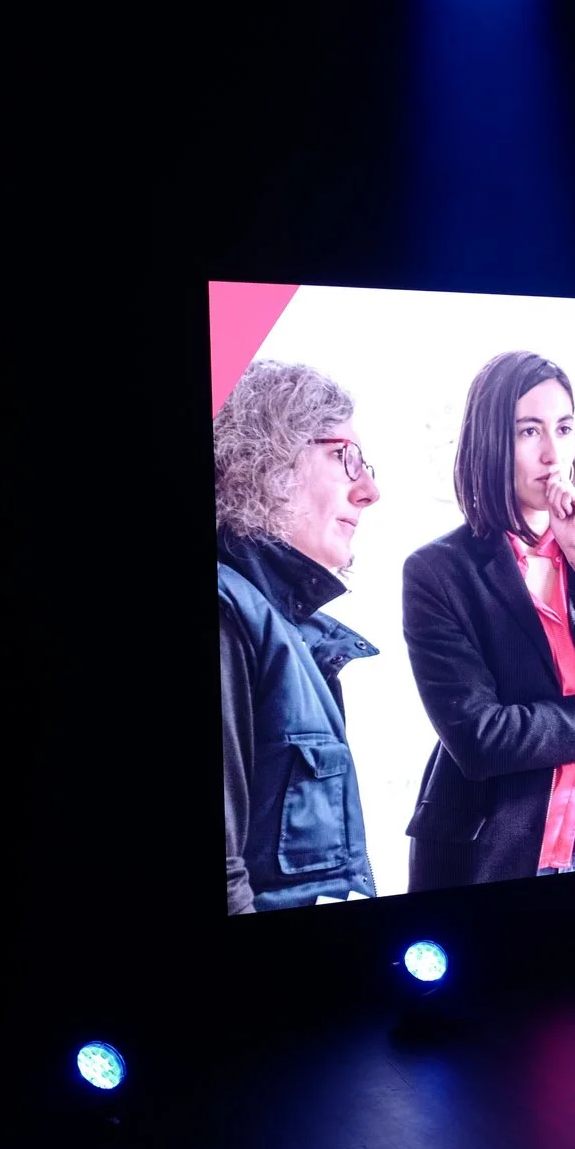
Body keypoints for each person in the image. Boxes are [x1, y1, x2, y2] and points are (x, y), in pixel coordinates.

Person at [399, 352, 575, 890]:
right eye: (529, 431)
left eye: (564, 428)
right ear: (490, 442)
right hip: (500, 857)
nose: (553, 454)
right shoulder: (437, 572)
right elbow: (482, 738)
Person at [217, 359, 383, 912]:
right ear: (271, 457)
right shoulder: (226, 610)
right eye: (347, 459)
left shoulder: (277, 619)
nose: (370, 490)